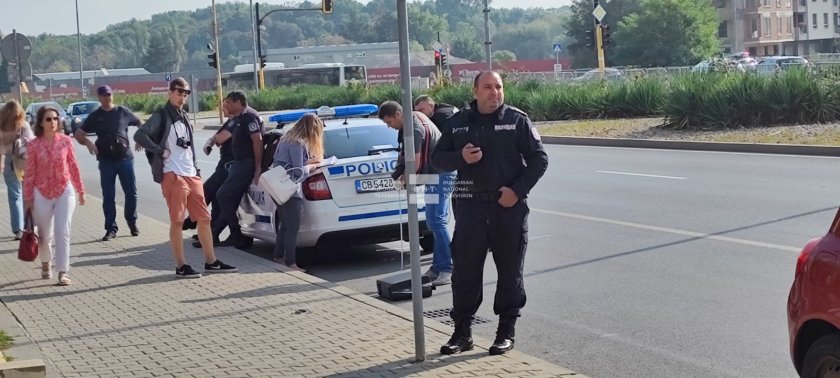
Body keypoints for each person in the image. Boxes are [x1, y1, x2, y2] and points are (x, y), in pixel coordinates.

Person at [431, 71, 548, 356]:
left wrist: (517, 191)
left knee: (510, 272)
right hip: (470, 207)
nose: (494, 92)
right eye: (488, 87)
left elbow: (539, 159)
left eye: (499, 87)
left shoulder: (516, 120)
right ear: (475, 91)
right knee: (465, 272)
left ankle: (505, 332)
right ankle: (462, 334)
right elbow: (437, 159)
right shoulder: (457, 124)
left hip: (507, 208)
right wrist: (460, 157)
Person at [133, 77, 237, 278]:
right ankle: (181, 266)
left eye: (186, 93)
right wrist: (159, 150)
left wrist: (196, 169)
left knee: (204, 219)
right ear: (170, 92)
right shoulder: (162, 115)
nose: (182, 96)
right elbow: (140, 135)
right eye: (179, 92)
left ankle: (211, 262)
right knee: (178, 221)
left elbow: (188, 147)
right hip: (173, 175)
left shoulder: (184, 116)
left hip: (191, 173)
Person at [378, 100, 455, 287]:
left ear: (398, 114)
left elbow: (416, 163)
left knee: (436, 220)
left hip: (441, 175)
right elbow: (405, 156)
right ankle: (437, 268)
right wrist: (398, 176)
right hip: (435, 174)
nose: (389, 127)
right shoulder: (411, 121)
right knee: (434, 221)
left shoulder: (414, 129)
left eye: (389, 122)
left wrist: (405, 181)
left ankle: (447, 268)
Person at [23, 106, 86, 286]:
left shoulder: (66, 141)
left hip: (63, 190)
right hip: (41, 192)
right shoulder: (34, 145)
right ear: (41, 123)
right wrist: (28, 198)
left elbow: (73, 166)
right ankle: (45, 263)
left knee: (63, 231)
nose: (53, 122)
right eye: (48, 119)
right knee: (44, 234)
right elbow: (30, 173)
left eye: (56, 119)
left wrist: (80, 190)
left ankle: (63, 271)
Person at [195, 90, 263, 249]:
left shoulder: (248, 117)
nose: (225, 105)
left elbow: (258, 141)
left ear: (238, 103)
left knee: (222, 195)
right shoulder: (238, 119)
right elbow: (220, 137)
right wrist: (211, 142)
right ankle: (223, 234)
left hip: (246, 164)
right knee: (226, 198)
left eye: (229, 102)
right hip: (237, 164)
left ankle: (235, 234)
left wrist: (257, 168)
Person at [75, 85, 142, 241]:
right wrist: (88, 143)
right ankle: (111, 229)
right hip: (106, 161)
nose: (107, 97)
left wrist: (141, 138)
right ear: (99, 97)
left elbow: (140, 122)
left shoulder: (122, 112)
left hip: (125, 158)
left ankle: (132, 222)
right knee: (108, 196)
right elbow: (79, 134)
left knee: (131, 194)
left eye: (110, 95)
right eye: (104, 95)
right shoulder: (95, 116)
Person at [271, 113, 324, 272]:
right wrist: (312, 166)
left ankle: (278, 257)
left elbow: (286, 163)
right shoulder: (297, 143)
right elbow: (299, 171)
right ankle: (291, 263)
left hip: (277, 187)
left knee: (285, 226)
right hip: (291, 190)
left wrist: (308, 161)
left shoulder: (285, 139)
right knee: (292, 227)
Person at [0, 100, 33, 240]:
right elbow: (31, 143)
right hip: (23, 162)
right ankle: (29, 226)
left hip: (8, 162)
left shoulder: (2, 127)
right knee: (28, 195)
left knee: (14, 196)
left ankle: (18, 229)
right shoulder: (23, 125)